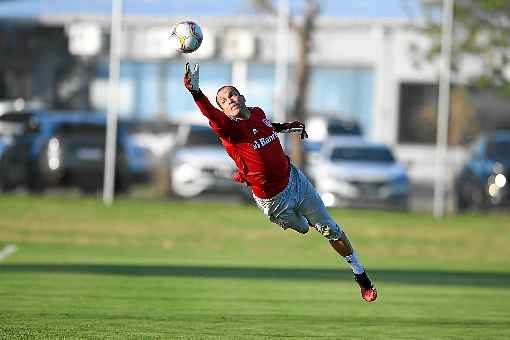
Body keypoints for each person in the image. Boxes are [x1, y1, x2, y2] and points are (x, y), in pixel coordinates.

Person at [183, 62, 377, 302]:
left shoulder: (258, 113)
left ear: (242, 97)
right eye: (222, 100)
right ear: (221, 109)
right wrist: (196, 92)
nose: (229, 100)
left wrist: (284, 127)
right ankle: (303, 219)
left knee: (330, 229)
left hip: (294, 179)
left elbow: (264, 128)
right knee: (304, 228)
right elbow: (210, 114)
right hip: (273, 200)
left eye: (232, 94)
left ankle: (361, 276)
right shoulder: (228, 129)